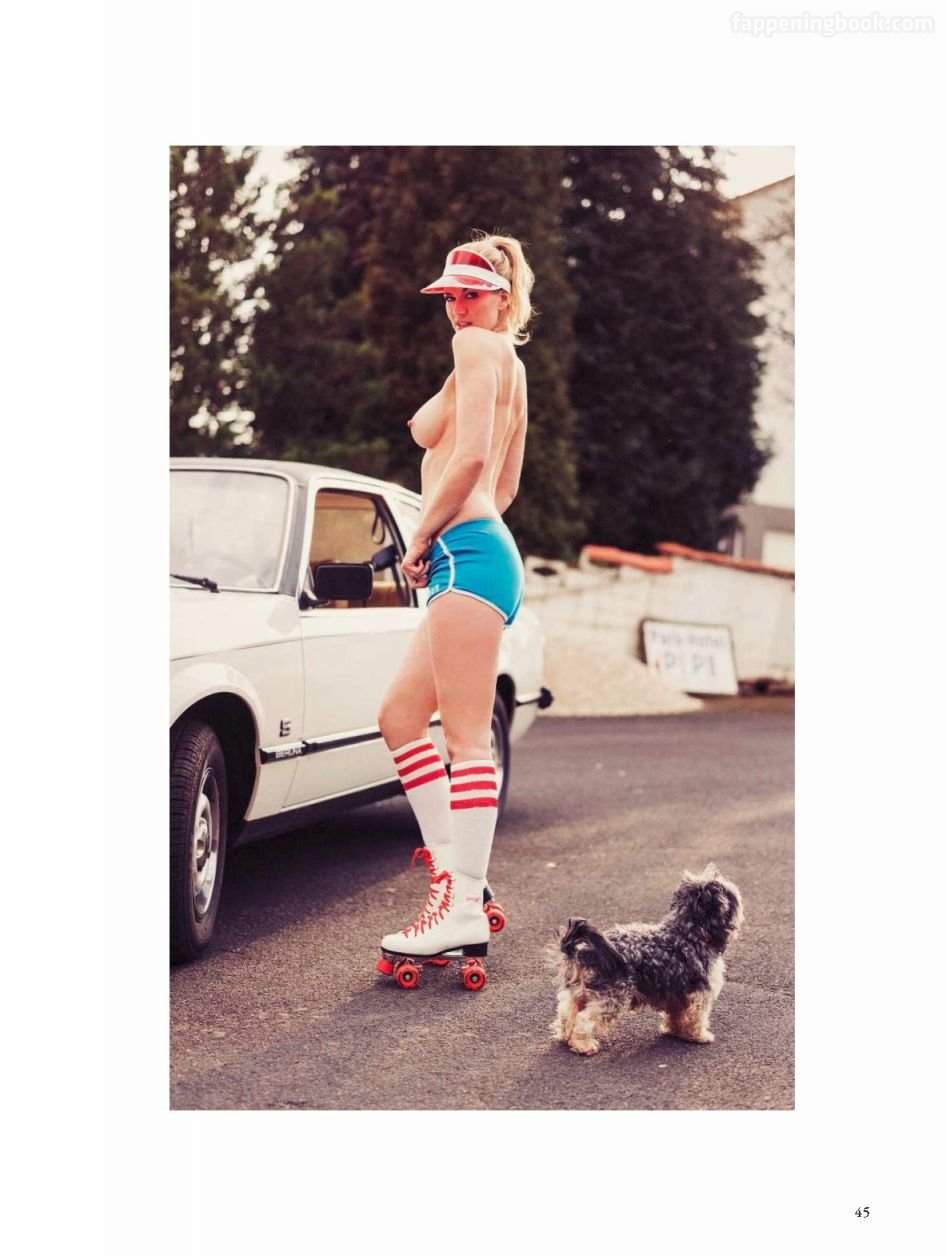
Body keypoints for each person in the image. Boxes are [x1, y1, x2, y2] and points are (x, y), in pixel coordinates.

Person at [376, 233, 533, 968]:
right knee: (400, 717)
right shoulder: (501, 361)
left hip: (465, 554)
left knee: (466, 738)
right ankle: (452, 875)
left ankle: (463, 906)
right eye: (450, 296)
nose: (458, 308)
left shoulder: (478, 349)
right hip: (476, 549)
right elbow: (503, 483)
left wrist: (424, 535)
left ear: (501, 298)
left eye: (472, 294)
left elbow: (470, 457)